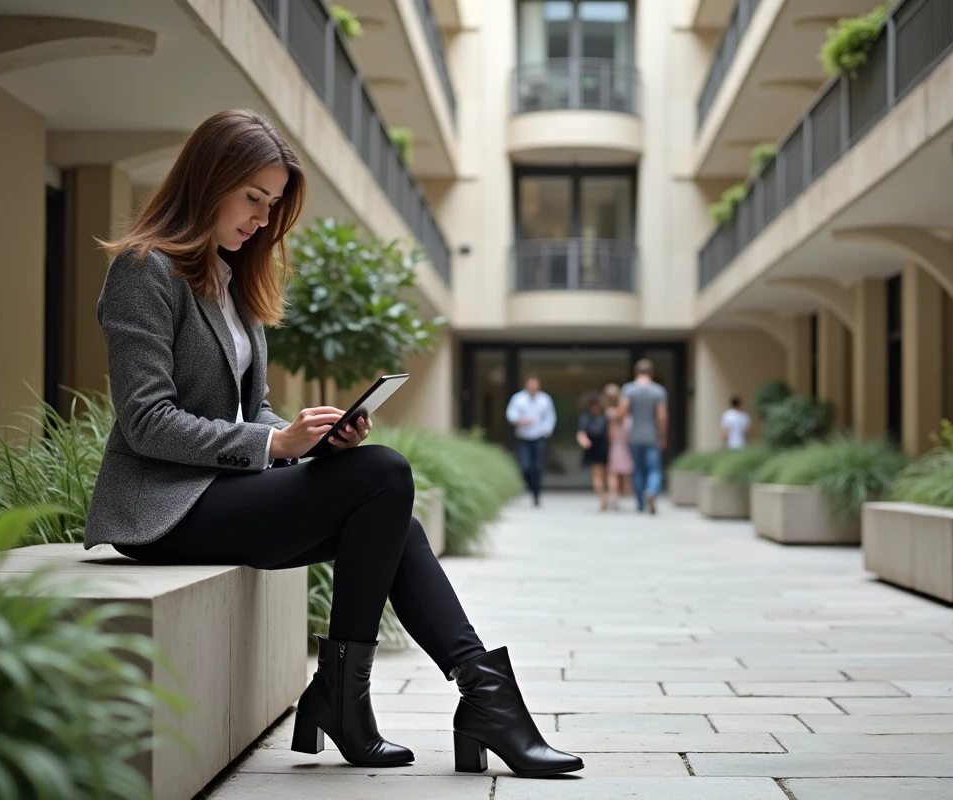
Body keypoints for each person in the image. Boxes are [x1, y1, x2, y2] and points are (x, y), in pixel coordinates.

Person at [84, 109, 581, 778]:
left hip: (221, 492)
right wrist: (277, 446)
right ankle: (421, 703)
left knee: (388, 506)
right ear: (208, 180)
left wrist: (309, 439)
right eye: (253, 198)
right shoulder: (145, 270)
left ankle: (463, 693)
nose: (263, 219)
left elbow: (249, 408)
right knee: (384, 475)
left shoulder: (231, 279)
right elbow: (147, 420)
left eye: (273, 204)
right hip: (164, 509)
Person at [617, 359, 668, 514]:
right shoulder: (658, 391)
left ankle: (640, 503)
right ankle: (651, 491)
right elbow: (662, 417)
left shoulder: (629, 389)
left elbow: (621, 413)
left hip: (634, 436)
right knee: (654, 469)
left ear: (635, 372)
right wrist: (663, 435)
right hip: (651, 436)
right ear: (651, 373)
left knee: (638, 470)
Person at [505, 375, 556, 507]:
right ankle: (529, 485)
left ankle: (536, 495)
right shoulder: (518, 398)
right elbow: (511, 414)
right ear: (526, 386)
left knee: (537, 467)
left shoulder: (545, 399)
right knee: (526, 466)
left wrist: (546, 430)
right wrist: (520, 420)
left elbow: (550, 417)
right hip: (523, 436)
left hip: (539, 436)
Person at [576, 391, 610, 511]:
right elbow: (581, 434)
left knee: (602, 475)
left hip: (603, 447)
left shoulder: (593, 416)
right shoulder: (603, 416)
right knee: (599, 474)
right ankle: (604, 497)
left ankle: (605, 497)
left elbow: (581, 434)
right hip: (599, 447)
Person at [602, 383, 633, 511]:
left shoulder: (608, 414)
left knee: (612, 472)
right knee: (624, 472)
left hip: (615, 445)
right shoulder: (625, 414)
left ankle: (614, 495)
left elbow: (608, 433)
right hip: (625, 444)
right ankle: (620, 494)